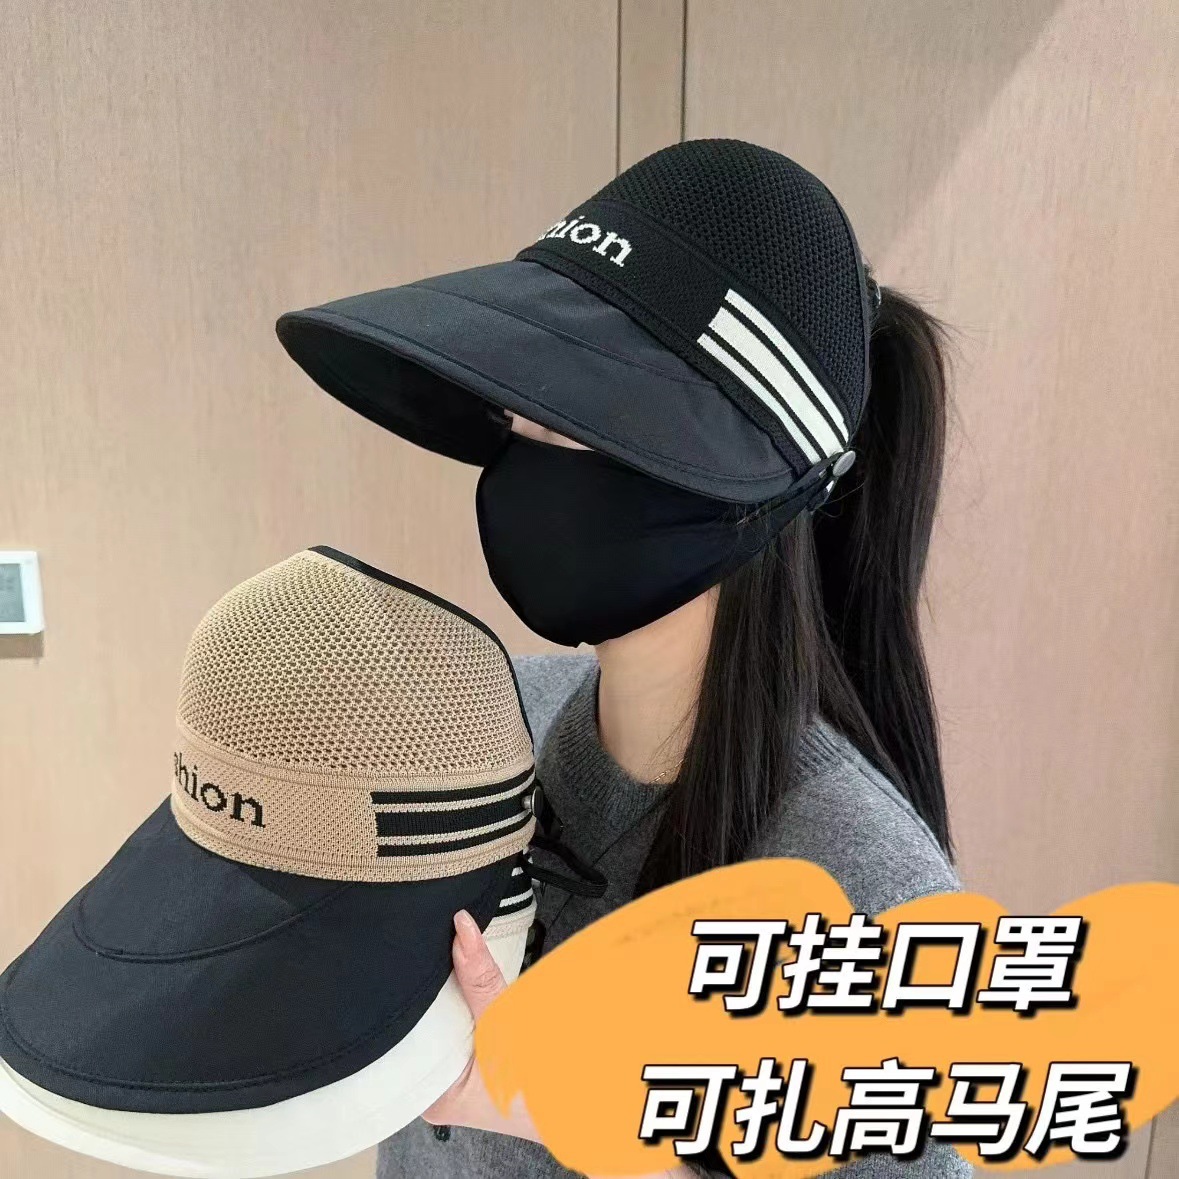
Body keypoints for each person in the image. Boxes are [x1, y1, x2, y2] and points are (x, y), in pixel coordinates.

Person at [276, 138, 970, 1176]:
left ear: (731, 481)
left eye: (571, 421)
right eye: (518, 414)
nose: (520, 458)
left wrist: (607, 1132)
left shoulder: (865, 895)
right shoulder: (485, 727)